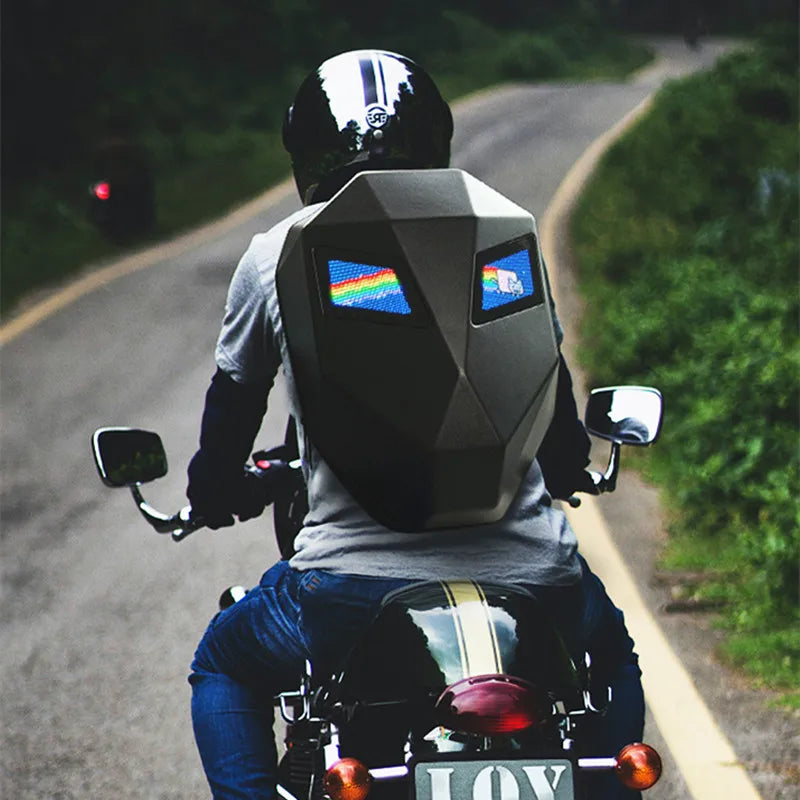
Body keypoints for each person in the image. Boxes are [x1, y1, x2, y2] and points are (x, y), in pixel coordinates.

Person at [187, 49, 644, 799]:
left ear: (309, 154)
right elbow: (553, 413)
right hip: (537, 579)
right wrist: (566, 470)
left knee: (224, 663)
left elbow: (232, 407)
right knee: (611, 653)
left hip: (348, 589)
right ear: (436, 137)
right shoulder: (502, 236)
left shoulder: (279, 252)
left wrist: (211, 491)